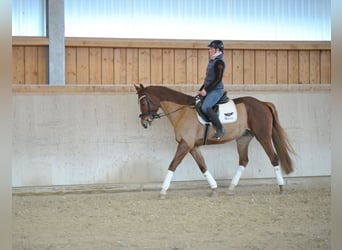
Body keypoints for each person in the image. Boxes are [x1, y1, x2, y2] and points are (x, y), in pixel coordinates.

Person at [198, 40, 226, 140]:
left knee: (205, 107)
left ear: (217, 49)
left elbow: (218, 79)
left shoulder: (219, 62)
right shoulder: (212, 60)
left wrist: (206, 90)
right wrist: (202, 89)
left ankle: (220, 129)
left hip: (216, 90)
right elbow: (208, 78)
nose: (209, 50)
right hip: (209, 89)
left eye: (211, 48)